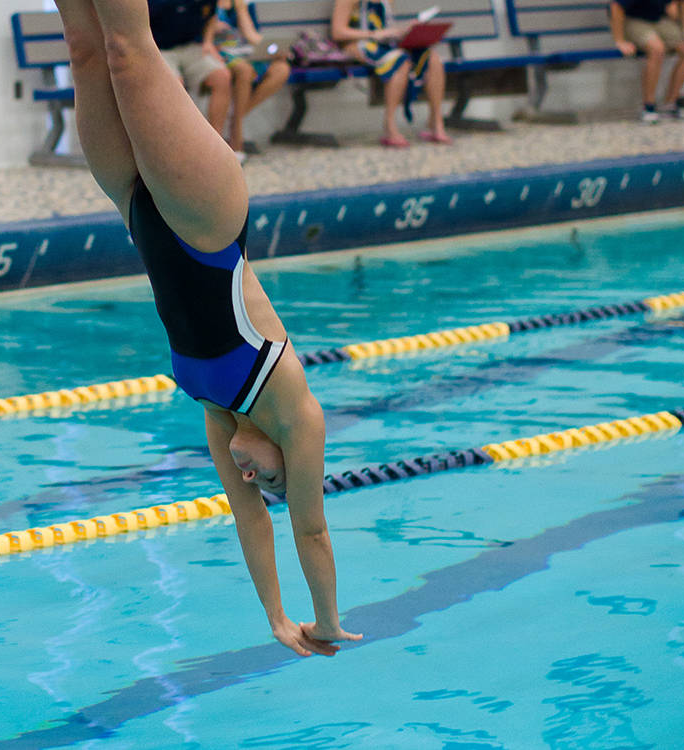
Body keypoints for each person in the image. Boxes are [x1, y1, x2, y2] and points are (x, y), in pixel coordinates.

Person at [54, 0, 361, 657]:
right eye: (275, 479)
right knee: (128, 53)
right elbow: (309, 529)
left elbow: (250, 522)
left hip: (140, 213)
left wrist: (279, 621)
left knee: (85, 49)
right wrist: (326, 620)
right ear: (289, 458)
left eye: (261, 486)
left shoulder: (221, 415)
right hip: (207, 220)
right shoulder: (294, 411)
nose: (256, 481)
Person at [330, 0, 451, 147]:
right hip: (358, 44)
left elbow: (386, 28)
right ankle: (390, 125)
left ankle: (436, 122)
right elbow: (338, 32)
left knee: (432, 59)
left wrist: (405, 31)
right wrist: (374, 34)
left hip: (385, 43)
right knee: (400, 61)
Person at [210, 0, 292, 158]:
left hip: (240, 51)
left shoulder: (240, 4)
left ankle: (236, 119)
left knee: (281, 68)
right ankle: (236, 136)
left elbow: (251, 35)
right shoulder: (206, 4)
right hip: (216, 52)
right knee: (244, 71)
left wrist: (273, 49)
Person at [147, 0, 234, 151]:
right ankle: (177, 147)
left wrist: (208, 42)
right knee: (175, 85)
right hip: (158, 48)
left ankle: (216, 145)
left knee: (222, 77)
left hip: (191, 46)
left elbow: (211, 16)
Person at [609, 0, 684, 122]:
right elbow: (616, 7)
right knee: (656, 49)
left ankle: (671, 104)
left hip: (659, 19)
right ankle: (648, 107)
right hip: (633, 20)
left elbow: (683, 3)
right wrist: (620, 40)